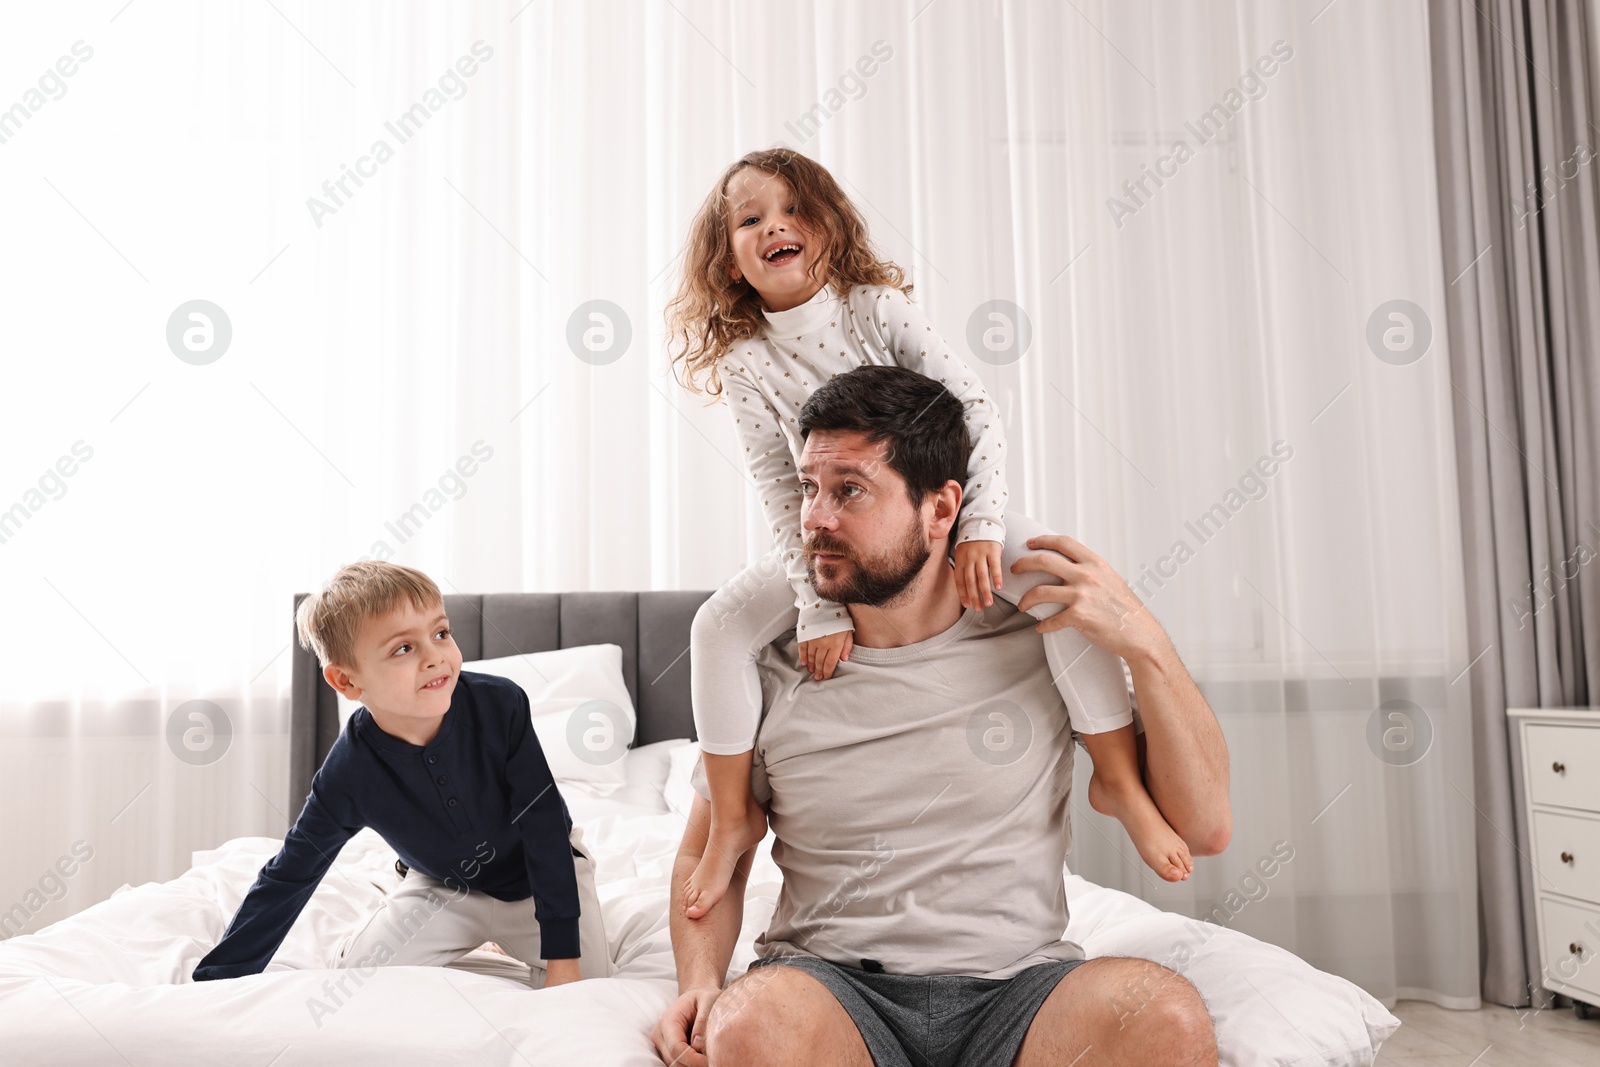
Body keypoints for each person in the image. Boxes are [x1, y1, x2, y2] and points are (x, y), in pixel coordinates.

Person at [664, 147, 1191, 922]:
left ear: (829, 227)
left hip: (946, 508)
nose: (773, 226)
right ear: (730, 259)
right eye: (749, 220)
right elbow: (783, 490)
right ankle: (734, 812)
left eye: (791, 209)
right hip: (837, 543)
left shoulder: (873, 308)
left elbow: (973, 407)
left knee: (1055, 583)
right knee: (715, 626)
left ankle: (1115, 772)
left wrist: (978, 522)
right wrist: (817, 604)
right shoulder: (749, 362)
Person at [650, 366, 1232, 1066]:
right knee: (751, 1026)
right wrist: (701, 983)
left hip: (1021, 989)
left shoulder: (1044, 641)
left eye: (850, 491)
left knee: (1166, 1017)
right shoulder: (763, 665)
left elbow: (1204, 824)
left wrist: (1146, 638)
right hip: (834, 989)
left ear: (941, 507)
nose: (815, 519)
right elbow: (709, 850)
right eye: (809, 488)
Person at [191, 561, 611, 988]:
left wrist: (561, 956)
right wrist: (217, 979)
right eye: (403, 649)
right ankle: (460, 941)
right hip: (441, 888)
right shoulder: (349, 770)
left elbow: (543, 828)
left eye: (441, 633)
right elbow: (292, 871)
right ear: (346, 681)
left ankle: (507, 942)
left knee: (590, 982)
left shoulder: (502, 706)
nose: (434, 657)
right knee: (355, 982)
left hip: (534, 881)